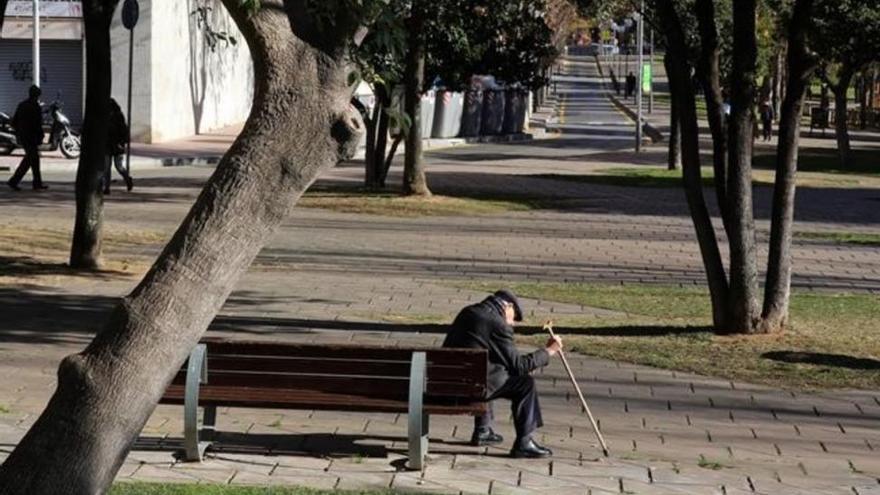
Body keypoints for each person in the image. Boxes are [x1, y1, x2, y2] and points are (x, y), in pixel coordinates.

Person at [443, 289, 562, 458]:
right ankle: (524, 442)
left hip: (446, 383)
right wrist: (548, 351)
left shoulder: (468, 312)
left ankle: (483, 430)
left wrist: (521, 366)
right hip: (470, 388)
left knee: (486, 370)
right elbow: (519, 367)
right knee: (524, 383)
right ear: (508, 306)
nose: (512, 323)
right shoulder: (497, 324)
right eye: (514, 317)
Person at [7, 85, 46, 191]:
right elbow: (38, 124)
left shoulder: (22, 105)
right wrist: (41, 136)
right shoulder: (36, 107)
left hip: (24, 136)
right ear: (37, 95)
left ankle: (37, 183)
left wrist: (19, 132)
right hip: (32, 137)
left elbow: (14, 122)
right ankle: (14, 181)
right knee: (30, 159)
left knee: (34, 159)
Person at [102, 98, 133, 194]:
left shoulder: (119, 116)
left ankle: (127, 179)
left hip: (117, 145)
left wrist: (122, 142)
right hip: (107, 145)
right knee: (106, 167)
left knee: (119, 166)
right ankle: (107, 188)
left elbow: (124, 130)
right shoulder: (103, 117)